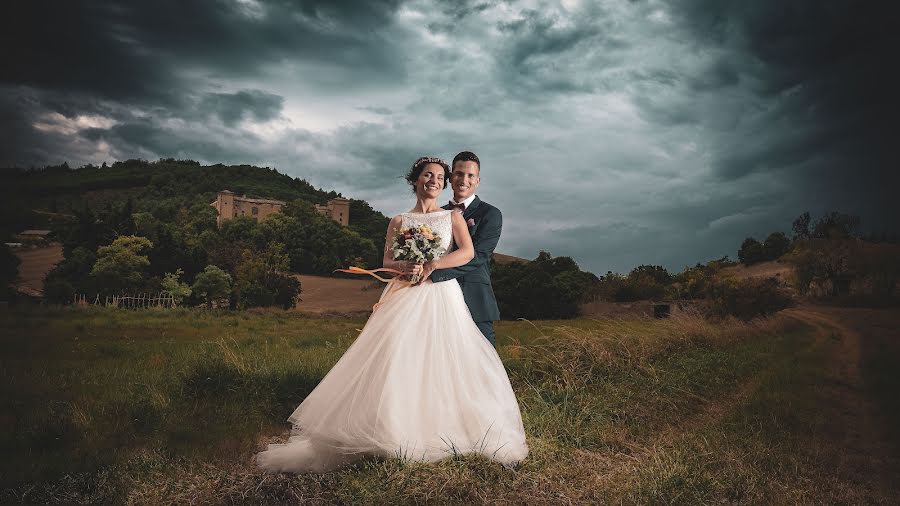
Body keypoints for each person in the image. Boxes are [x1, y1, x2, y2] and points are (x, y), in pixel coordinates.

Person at [255, 156, 529, 473]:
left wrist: (433, 265)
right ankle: (390, 429)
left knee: (447, 360)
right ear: (416, 180)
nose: (435, 182)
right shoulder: (399, 220)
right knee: (397, 358)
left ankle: (446, 428)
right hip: (404, 293)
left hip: (441, 295)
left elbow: (468, 253)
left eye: (440, 178)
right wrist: (406, 267)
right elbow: (387, 259)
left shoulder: (452, 217)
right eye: (429, 176)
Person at [422, 151, 502, 347]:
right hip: (437, 298)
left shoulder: (490, 214)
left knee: (484, 362)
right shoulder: (436, 213)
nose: (463, 179)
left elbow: (479, 256)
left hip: (474, 297)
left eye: (470, 175)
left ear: (478, 180)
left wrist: (433, 272)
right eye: (458, 173)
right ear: (450, 177)